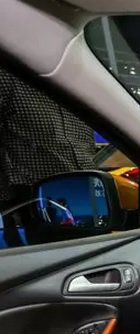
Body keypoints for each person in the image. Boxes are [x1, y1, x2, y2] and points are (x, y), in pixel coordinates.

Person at [0, 67, 96, 247]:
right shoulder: (8, 77)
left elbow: (87, 146)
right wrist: (8, 204)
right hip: (36, 199)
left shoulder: (77, 85)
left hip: (87, 191)